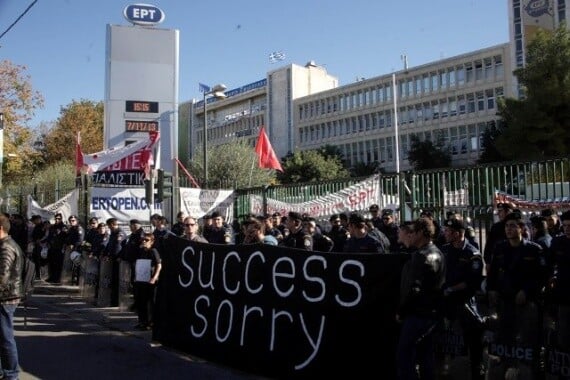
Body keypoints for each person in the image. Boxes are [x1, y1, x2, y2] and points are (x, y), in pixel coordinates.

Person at [396, 217, 446, 380]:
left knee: (405, 356)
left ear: (421, 233)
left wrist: (402, 311)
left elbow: (414, 289)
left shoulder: (422, 256)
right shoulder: (438, 253)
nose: (411, 235)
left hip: (417, 315)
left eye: (414, 232)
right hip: (431, 315)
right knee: (426, 357)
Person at [439, 218, 484, 380]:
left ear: (458, 234)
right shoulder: (444, 250)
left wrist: (451, 289)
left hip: (465, 303)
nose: (445, 234)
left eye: (448, 232)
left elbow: (472, 281)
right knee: (448, 341)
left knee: (471, 338)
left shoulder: (472, 254)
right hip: (446, 302)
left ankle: (474, 369)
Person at [0, 213, 23, 379]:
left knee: (6, 338)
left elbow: (3, 275)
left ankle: (11, 374)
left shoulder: (6, 247)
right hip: (5, 296)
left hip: (5, 298)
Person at [133, 233, 162, 331]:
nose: (144, 242)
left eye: (146, 240)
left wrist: (154, 277)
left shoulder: (153, 251)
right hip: (141, 280)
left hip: (150, 281)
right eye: (143, 240)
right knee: (141, 302)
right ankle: (142, 321)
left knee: (151, 302)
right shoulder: (140, 251)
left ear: (152, 242)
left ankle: (151, 322)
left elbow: (159, 265)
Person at [483, 202, 514, 273]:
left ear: (508, 211)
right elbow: (489, 245)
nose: (498, 214)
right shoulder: (496, 227)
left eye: (501, 211)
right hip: (498, 261)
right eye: (498, 211)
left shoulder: (517, 226)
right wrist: (487, 262)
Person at [45, 213, 68, 283]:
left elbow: (66, 237)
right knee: (51, 263)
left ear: (61, 219)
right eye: (56, 218)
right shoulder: (52, 227)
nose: (57, 220)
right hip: (52, 248)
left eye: (59, 219)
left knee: (58, 264)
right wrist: (48, 243)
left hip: (59, 248)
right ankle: (51, 277)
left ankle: (57, 278)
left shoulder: (64, 227)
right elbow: (49, 236)